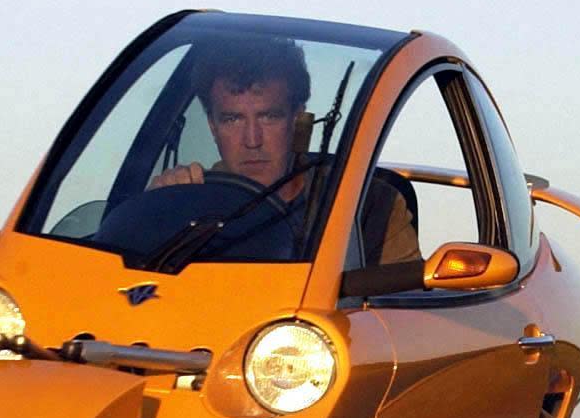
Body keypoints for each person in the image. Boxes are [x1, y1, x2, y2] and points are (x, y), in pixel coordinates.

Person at [149, 35, 418, 264]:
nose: (252, 140)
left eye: (269, 117)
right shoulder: (185, 201)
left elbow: (406, 314)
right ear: (212, 127)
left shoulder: (369, 207)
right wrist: (158, 213)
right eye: (233, 119)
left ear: (298, 120)